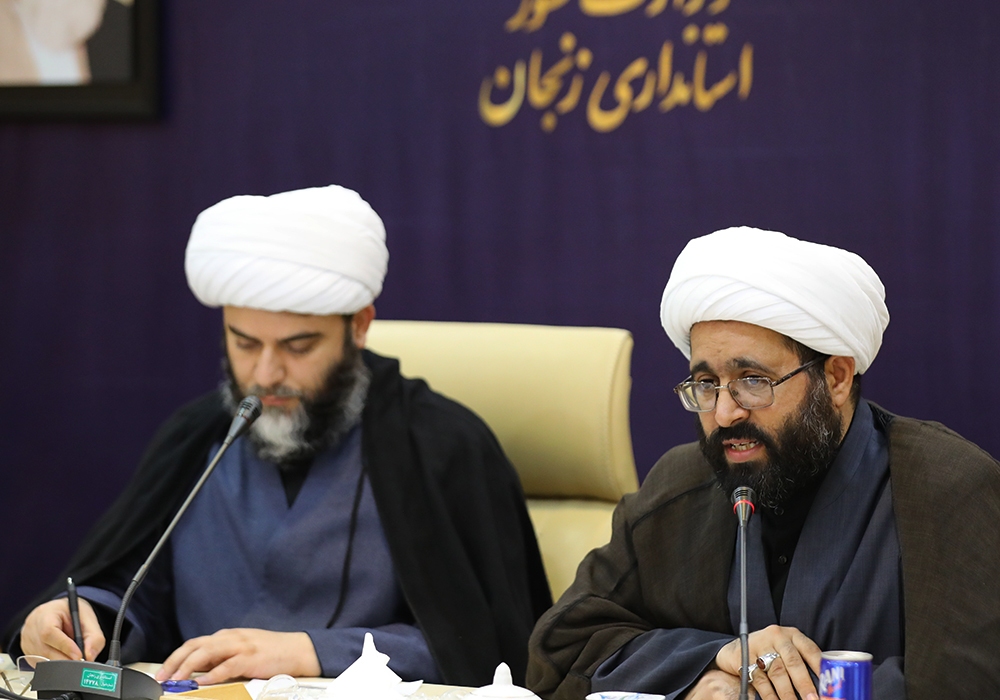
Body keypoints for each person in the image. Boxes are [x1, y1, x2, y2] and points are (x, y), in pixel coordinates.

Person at [4, 185, 552, 686]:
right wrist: (86, 619)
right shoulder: (197, 438)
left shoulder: (443, 446)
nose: (266, 375)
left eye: (298, 346)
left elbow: (487, 646)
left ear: (359, 326)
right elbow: (141, 599)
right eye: (245, 343)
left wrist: (310, 651)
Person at [527, 227, 1000, 700]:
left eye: (753, 381)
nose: (724, 413)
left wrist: (773, 691)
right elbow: (562, 650)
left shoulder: (945, 486)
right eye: (706, 384)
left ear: (836, 377)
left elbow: (969, 683)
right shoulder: (681, 483)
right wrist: (710, 666)